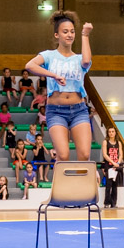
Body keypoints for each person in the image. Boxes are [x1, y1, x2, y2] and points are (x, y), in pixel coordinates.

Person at [26, 11, 94, 163]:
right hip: (56, 111)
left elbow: (86, 61)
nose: (69, 35)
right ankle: (60, 178)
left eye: (72, 31)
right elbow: (30, 65)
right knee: (63, 156)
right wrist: (53, 75)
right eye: (65, 31)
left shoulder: (78, 58)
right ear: (57, 35)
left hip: (79, 110)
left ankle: (83, 179)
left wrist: (85, 35)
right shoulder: (49, 55)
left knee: (84, 155)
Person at [102, 126, 124, 208]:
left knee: (115, 185)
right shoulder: (105, 142)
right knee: (108, 185)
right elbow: (105, 154)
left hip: (116, 166)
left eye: (112, 131)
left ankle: (113, 202)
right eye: (109, 132)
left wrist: (118, 163)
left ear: (115, 133)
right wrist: (112, 162)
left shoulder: (119, 143)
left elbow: (121, 154)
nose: (111, 133)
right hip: (109, 166)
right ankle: (106, 203)